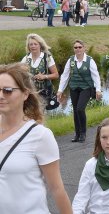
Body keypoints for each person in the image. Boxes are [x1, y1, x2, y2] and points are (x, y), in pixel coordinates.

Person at [0, 63, 72, 214]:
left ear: (25, 94)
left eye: (7, 91)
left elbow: (57, 189)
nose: (1, 95)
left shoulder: (40, 136)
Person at [57, 40, 102, 143]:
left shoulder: (90, 61)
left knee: (80, 109)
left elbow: (96, 76)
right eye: (75, 47)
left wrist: (98, 90)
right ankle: (77, 134)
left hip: (86, 88)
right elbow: (65, 75)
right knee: (75, 111)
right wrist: (60, 90)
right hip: (74, 88)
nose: (78, 49)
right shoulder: (71, 60)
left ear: (84, 48)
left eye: (80, 47)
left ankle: (83, 133)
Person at [21, 33, 59, 104]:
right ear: (28, 46)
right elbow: (19, 74)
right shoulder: (25, 59)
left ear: (40, 45)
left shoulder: (47, 58)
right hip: (30, 93)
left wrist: (44, 76)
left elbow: (56, 75)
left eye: (35, 44)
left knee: (40, 113)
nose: (33, 46)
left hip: (43, 93)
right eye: (31, 44)